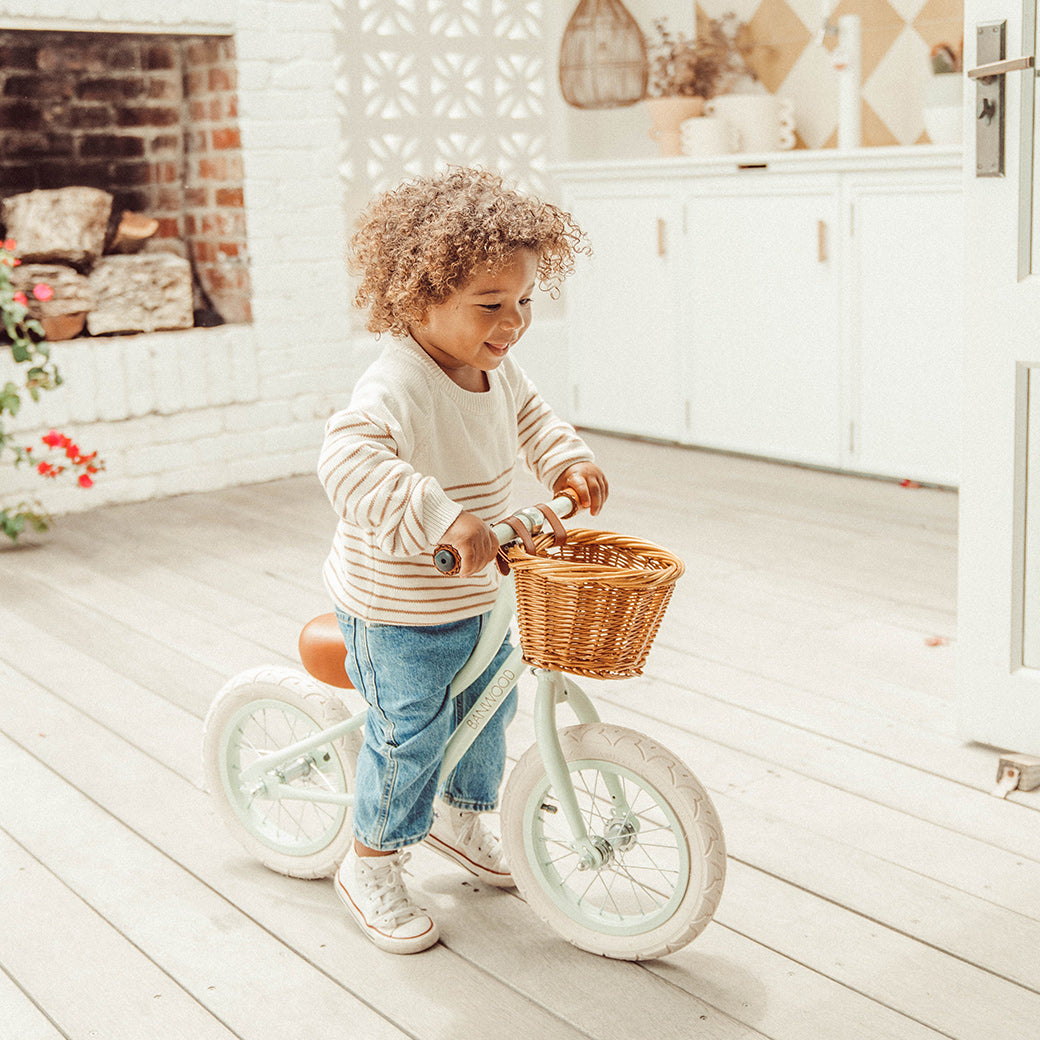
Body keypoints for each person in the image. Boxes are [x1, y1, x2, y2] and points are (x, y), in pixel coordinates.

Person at [318, 167, 608, 954]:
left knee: (487, 708)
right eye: (490, 305)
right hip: (400, 607)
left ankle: (460, 813)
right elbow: (348, 462)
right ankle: (370, 858)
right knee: (411, 729)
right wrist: (440, 514)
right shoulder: (396, 385)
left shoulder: (495, 365)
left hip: (478, 592)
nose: (512, 322)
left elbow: (533, 417)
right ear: (419, 301)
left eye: (521, 302)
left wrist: (566, 462)